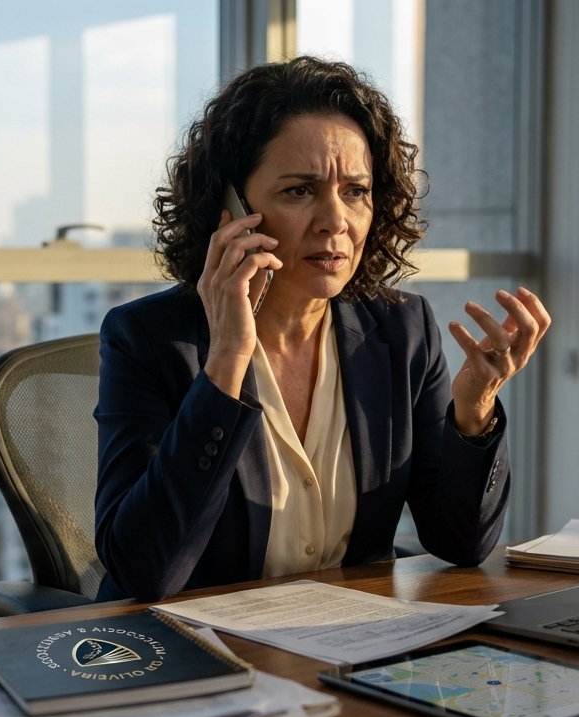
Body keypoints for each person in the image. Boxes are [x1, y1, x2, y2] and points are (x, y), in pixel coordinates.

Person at [93, 57, 550, 602]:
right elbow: (144, 572)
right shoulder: (148, 338)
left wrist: (474, 412)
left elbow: (461, 542)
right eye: (299, 191)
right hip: (205, 656)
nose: (336, 220)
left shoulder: (402, 330)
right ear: (230, 208)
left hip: (346, 651)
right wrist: (227, 362)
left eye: (355, 191)